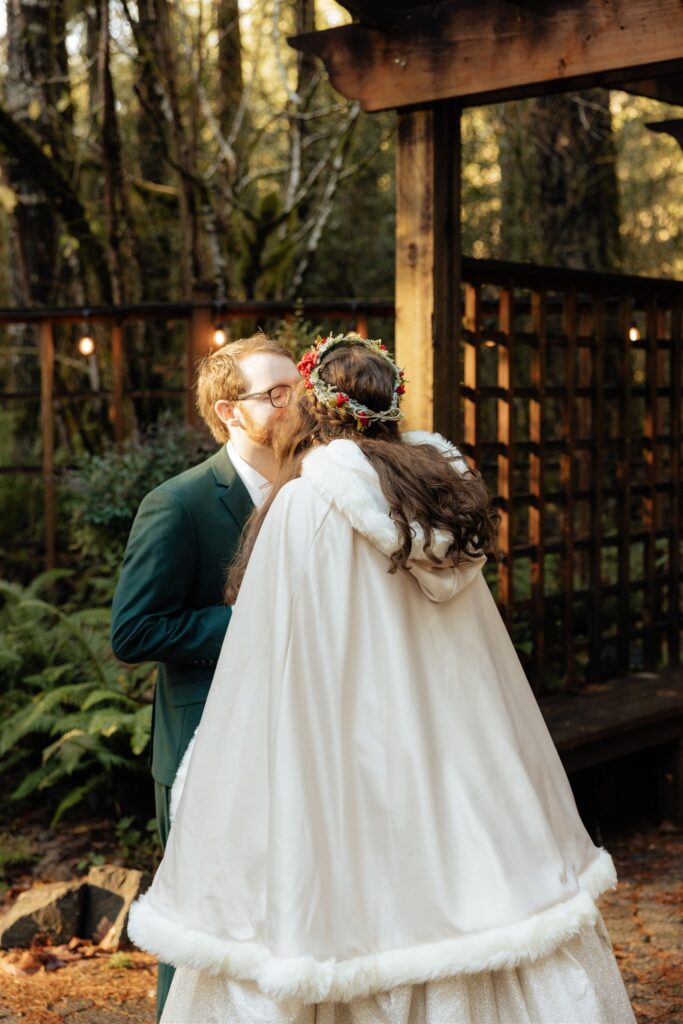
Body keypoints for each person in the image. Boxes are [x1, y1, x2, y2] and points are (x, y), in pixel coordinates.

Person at [129, 333, 636, 1024]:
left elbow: (268, 646)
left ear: (317, 406)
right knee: (468, 902)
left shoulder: (305, 504)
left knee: (344, 922)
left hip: (342, 749)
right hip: (450, 747)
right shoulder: (436, 502)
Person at [111, 333, 300, 1021]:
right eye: (274, 395)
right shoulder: (179, 503)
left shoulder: (313, 490)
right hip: (203, 742)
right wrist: (256, 622)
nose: (292, 405)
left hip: (295, 738)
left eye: (296, 389)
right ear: (228, 411)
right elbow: (133, 632)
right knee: (196, 928)